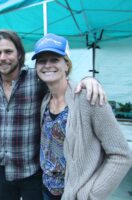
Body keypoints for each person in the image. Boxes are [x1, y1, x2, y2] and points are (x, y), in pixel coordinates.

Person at [0, 29, 107, 200]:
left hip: (33, 171)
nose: (3, 57)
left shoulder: (36, 78)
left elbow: (61, 80)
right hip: (1, 171)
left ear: (19, 54)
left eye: (8, 51)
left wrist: (88, 80)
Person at [32, 33, 132, 200]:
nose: (47, 65)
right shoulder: (45, 100)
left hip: (75, 194)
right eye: (42, 61)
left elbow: (121, 155)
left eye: (55, 59)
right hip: (47, 190)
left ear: (67, 65)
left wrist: (92, 194)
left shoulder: (88, 99)